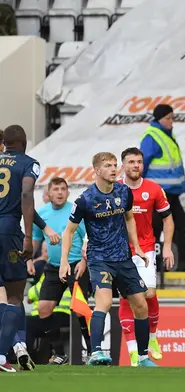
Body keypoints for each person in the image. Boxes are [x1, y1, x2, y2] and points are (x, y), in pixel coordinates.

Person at [60, 152, 155, 367]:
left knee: (141, 304)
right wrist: (65, 261)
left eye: (115, 165)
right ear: (97, 170)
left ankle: (142, 357)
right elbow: (69, 232)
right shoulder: (85, 199)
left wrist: (137, 247)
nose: (114, 169)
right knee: (103, 301)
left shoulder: (124, 192)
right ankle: (96, 352)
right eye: (108, 166)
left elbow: (129, 217)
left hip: (123, 258)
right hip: (100, 259)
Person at [0, 125, 53, 373]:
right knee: (14, 296)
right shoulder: (29, 163)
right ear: (23, 142)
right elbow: (26, 195)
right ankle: (2, 355)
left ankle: (16, 347)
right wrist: (30, 237)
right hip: (9, 231)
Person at [118, 147, 175, 366]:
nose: (135, 165)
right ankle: (133, 351)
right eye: (131, 162)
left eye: (139, 162)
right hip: (120, 251)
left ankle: (152, 338)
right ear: (123, 165)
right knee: (129, 297)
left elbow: (168, 219)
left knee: (149, 293)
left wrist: (167, 247)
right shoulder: (115, 189)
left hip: (146, 248)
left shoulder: (153, 189)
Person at [31, 177, 92, 366]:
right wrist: (29, 259)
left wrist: (84, 261)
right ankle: (59, 354)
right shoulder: (41, 214)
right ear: (48, 194)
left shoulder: (75, 211)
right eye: (55, 189)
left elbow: (87, 238)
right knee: (43, 308)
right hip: (54, 266)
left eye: (63, 189)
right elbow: (35, 239)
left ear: (67, 192)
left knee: (81, 311)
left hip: (76, 265)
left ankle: (91, 352)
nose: (59, 192)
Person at [140, 104, 185, 271]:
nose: (171, 122)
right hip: (158, 193)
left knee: (181, 223)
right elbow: (142, 164)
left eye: (172, 118)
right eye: (168, 118)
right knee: (157, 228)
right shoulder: (152, 137)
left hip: (171, 193)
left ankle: (182, 266)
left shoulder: (167, 135)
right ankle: (153, 267)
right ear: (159, 119)